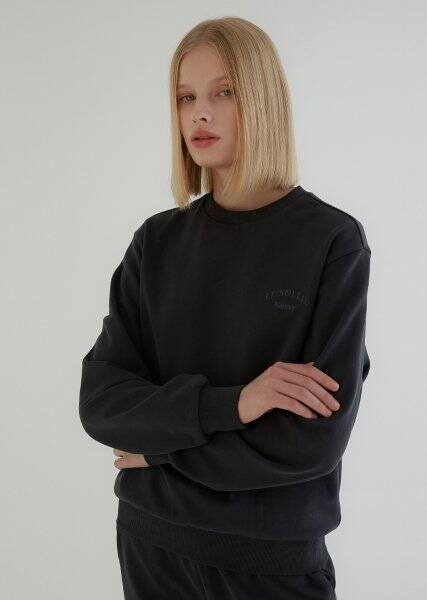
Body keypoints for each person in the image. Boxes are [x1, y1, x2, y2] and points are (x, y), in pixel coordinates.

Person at [79, 16, 371, 600]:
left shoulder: (331, 242)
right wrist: (235, 403)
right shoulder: (156, 242)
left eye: (224, 92)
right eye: (186, 97)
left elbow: (309, 442)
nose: (200, 114)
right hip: (151, 547)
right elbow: (102, 405)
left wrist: (158, 451)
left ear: (262, 99)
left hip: (268, 562)